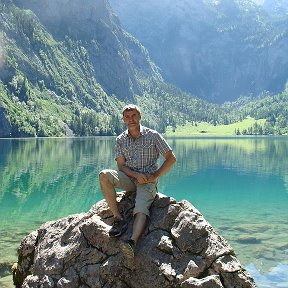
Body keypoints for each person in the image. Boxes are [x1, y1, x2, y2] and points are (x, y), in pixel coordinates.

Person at [99, 104, 176, 259]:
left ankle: (132, 243)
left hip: (147, 181)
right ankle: (118, 218)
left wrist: (155, 176)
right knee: (104, 175)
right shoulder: (121, 139)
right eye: (127, 117)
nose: (131, 119)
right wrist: (134, 174)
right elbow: (121, 165)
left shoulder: (153, 135)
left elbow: (171, 158)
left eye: (134, 115)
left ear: (140, 117)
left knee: (140, 207)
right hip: (129, 178)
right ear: (123, 120)